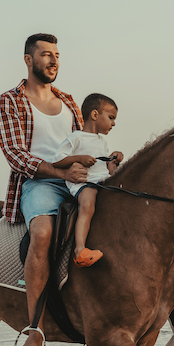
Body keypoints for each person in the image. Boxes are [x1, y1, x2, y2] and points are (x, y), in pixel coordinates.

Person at [0, 33, 87, 346]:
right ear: (28, 60)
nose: (53, 60)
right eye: (46, 54)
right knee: (43, 234)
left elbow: (84, 141)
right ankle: (35, 330)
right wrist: (61, 174)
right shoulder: (10, 101)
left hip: (78, 179)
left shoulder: (70, 101)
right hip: (39, 182)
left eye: (57, 55)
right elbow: (16, 156)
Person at [53, 93, 124, 267]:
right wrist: (79, 158)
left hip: (102, 181)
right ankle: (80, 250)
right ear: (94, 115)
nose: (113, 123)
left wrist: (113, 161)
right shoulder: (76, 137)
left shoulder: (102, 141)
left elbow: (105, 169)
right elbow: (57, 160)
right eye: (111, 117)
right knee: (88, 205)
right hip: (85, 183)